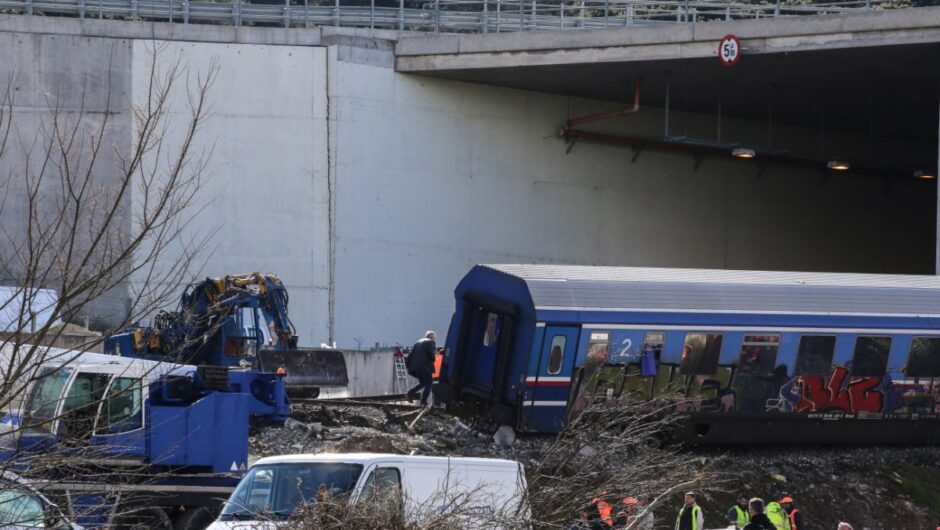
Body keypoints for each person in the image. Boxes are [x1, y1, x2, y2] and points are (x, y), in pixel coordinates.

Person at [406, 331, 437, 406]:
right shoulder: (430, 342)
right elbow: (431, 354)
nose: (434, 340)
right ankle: (423, 401)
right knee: (429, 383)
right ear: (431, 337)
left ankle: (409, 393)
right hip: (425, 367)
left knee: (423, 383)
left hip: (416, 367)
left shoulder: (417, 343)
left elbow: (410, 356)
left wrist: (409, 367)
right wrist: (434, 358)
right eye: (434, 338)